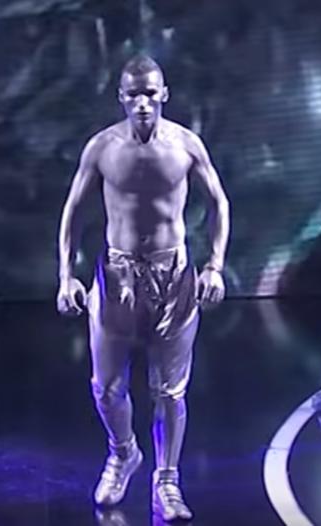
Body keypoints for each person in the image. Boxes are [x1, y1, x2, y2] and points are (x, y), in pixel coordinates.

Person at [56, 54, 230, 522]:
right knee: (106, 387)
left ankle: (167, 480)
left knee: (170, 391)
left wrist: (215, 266)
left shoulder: (186, 145)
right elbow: (73, 210)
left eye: (150, 93)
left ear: (164, 94)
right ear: (121, 97)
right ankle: (123, 453)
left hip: (173, 276)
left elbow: (219, 202)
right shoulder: (102, 148)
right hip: (117, 277)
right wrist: (66, 275)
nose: (142, 103)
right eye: (133, 94)